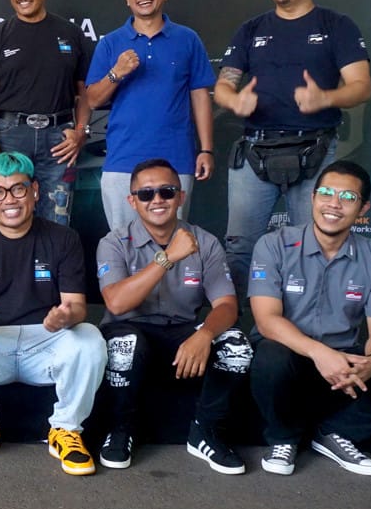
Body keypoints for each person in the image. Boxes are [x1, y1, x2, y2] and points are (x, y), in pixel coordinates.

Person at [216, 0, 371, 298]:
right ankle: (235, 324)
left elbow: (361, 86)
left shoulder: (337, 25)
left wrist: (326, 97)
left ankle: (308, 322)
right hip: (255, 151)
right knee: (240, 247)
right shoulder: (251, 29)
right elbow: (223, 85)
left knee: (315, 244)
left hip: (314, 150)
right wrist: (234, 101)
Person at [0, 151, 105, 475]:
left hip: (46, 339)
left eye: (18, 188)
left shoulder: (64, 238)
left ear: (35, 191)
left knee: (89, 338)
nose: (9, 200)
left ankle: (66, 430)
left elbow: (77, 306)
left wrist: (65, 316)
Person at [249, 160, 371, 476]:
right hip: (288, 357)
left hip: (344, 362)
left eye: (348, 197)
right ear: (313, 198)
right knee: (271, 355)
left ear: (363, 207)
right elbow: (267, 320)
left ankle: (336, 434)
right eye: (326, 193)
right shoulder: (274, 244)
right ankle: (283, 438)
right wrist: (318, 353)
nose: (334, 204)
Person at [94, 158, 252, 474]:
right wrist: (168, 258)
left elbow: (227, 305)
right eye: (146, 194)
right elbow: (117, 303)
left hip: (183, 332)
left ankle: (206, 431)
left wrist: (205, 334)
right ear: (132, 201)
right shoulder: (113, 242)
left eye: (166, 192)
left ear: (180, 197)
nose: (157, 200)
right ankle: (121, 428)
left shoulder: (205, 241)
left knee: (237, 345)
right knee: (126, 343)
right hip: (130, 329)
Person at [84, 0, 216, 230]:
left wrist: (206, 149)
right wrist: (116, 73)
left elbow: (200, 96)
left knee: (174, 241)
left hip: (175, 158)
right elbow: (93, 100)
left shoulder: (188, 39)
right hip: (123, 160)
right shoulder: (111, 43)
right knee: (124, 242)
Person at [0, 0, 90, 225]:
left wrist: (81, 131)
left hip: (59, 139)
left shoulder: (71, 34)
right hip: (10, 136)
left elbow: (83, 93)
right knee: (10, 217)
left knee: (57, 219)